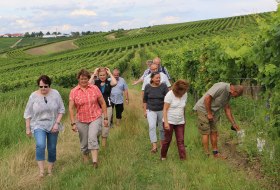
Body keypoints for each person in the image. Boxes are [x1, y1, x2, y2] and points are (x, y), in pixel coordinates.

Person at [24, 75, 65, 177]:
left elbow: (61, 110)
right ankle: (42, 172)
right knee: (41, 145)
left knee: (51, 148)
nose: (43, 89)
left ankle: (50, 170)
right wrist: (28, 128)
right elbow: (27, 113)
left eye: (45, 86)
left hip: (53, 124)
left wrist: (57, 124)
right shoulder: (33, 96)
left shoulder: (55, 94)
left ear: (49, 85)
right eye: (41, 86)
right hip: (38, 124)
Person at [69, 69, 108, 168]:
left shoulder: (94, 88)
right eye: (81, 79)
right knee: (84, 141)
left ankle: (95, 161)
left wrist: (105, 117)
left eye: (85, 79)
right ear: (78, 79)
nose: (84, 81)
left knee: (92, 137)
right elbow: (71, 108)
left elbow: (103, 103)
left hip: (95, 117)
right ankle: (85, 157)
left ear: (88, 79)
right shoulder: (74, 92)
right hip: (81, 120)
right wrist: (73, 123)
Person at [193, 82, 244, 159]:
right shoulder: (221, 87)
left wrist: (233, 123)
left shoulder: (228, 94)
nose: (235, 97)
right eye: (236, 96)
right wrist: (209, 113)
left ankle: (215, 154)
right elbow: (207, 98)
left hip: (212, 112)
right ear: (234, 91)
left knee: (214, 132)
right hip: (203, 109)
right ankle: (207, 155)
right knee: (206, 132)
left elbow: (227, 108)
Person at [161, 80, 189, 160]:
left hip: (180, 121)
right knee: (167, 140)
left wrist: (184, 119)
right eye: (182, 91)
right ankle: (163, 157)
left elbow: (183, 108)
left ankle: (183, 159)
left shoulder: (185, 94)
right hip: (169, 121)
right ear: (177, 89)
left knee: (181, 141)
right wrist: (166, 123)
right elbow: (165, 109)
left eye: (185, 91)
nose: (183, 92)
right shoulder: (169, 95)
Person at [89, 67, 117, 147]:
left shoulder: (109, 83)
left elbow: (115, 83)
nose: (102, 76)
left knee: (105, 126)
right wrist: (94, 74)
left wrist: (110, 73)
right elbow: (89, 83)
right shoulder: (96, 83)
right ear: (98, 75)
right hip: (96, 107)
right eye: (100, 75)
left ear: (106, 75)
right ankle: (96, 142)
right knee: (96, 126)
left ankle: (104, 146)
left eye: (104, 75)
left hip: (108, 107)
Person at [143, 72, 169, 153]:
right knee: (152, 126)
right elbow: (144, 100)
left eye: (159, 78)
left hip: (162, 110)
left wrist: (167, 110)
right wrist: (145, 111)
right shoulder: (147, 87)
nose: (158, 79)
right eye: (157, 78)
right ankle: (154, 146)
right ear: (152, 79)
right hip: (151, 110)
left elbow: (168, 99)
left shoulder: (164, 86)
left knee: (161, 128)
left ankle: (162, 145)